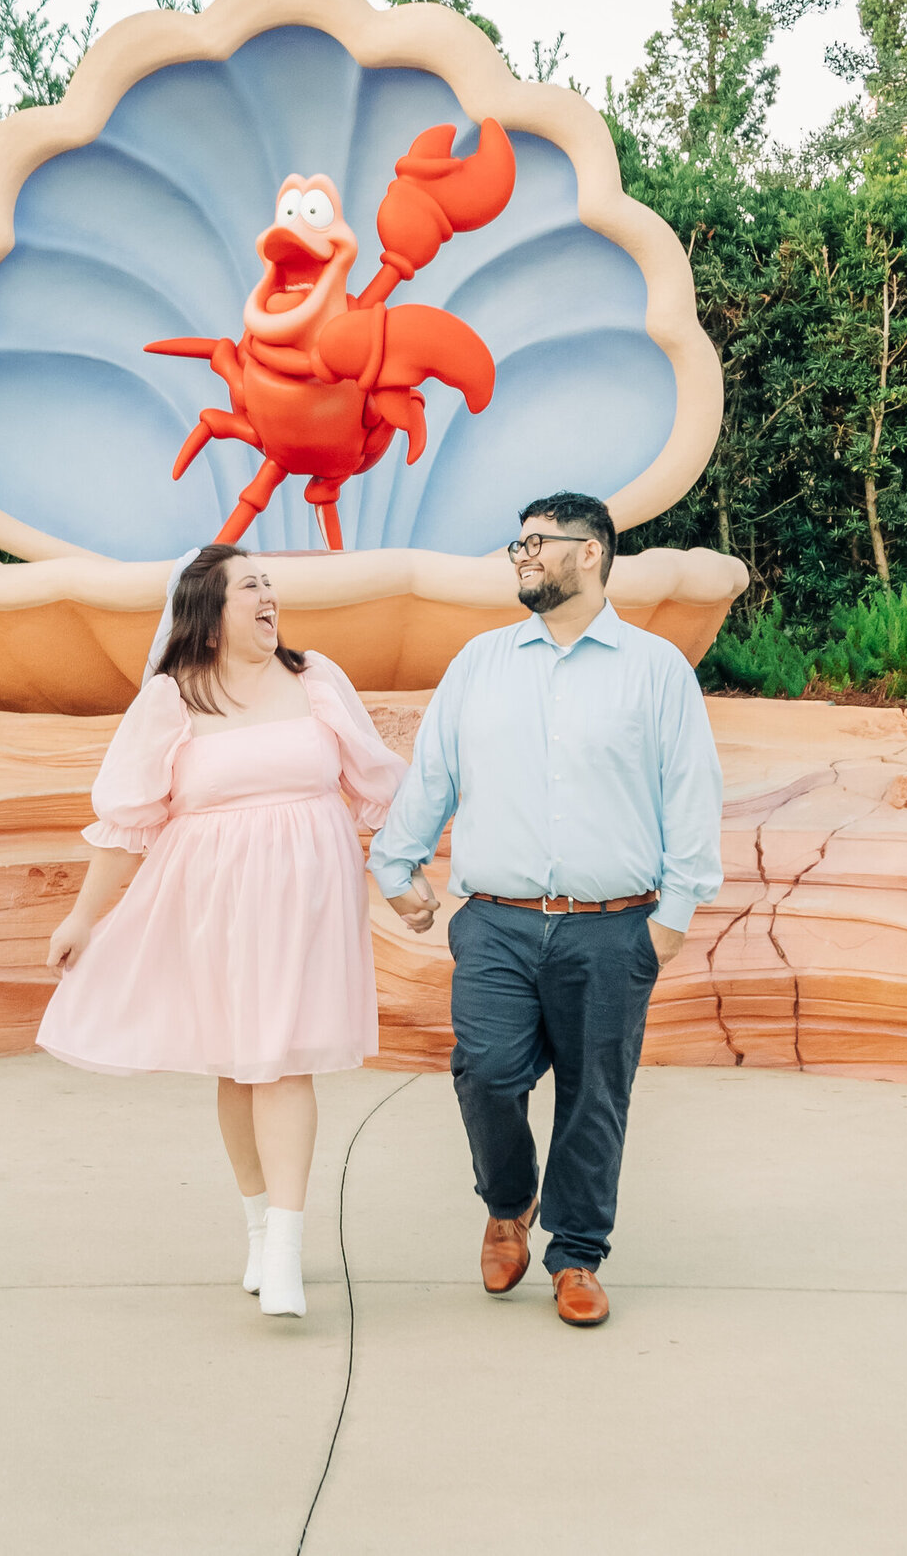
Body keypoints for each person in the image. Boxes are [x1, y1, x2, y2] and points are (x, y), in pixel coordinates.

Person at [366, 491, 724, 1330]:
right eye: (516, 543)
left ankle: (577, 1255)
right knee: (485, 1072)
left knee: (596, 1093)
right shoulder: (480, 662)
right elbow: (433, 774)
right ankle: (509, 1200)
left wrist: (673, 913)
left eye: (537, 541)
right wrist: (396, 862)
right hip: (495, 919)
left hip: (614, 923)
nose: (522, 554)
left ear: (591, 551)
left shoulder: (654, 667)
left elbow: (690, 792)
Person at [37, 542, 408, 1317]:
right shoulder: (174, 698)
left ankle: (286, 1249)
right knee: (240, 1067)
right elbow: (129, 819)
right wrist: (82, 915)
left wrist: (407, 878)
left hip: (308, 901)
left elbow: (375, 785)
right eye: (250, 585)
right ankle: (256, 1224)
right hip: (216, 903)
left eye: (270, 583)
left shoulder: (315, 682)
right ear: (210, 611)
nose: (268, 595)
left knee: (283, 1060)